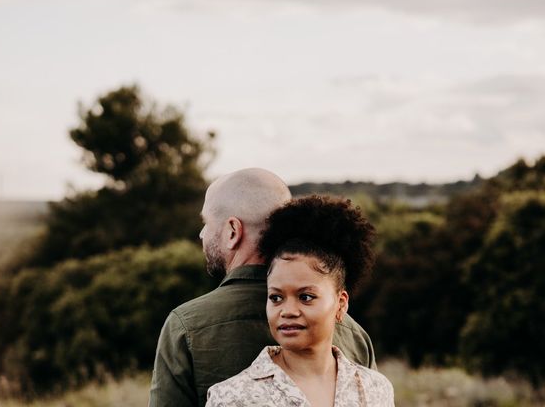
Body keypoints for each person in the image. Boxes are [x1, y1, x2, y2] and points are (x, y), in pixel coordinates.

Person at [149, 169, 377, 407]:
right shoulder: (355, 334)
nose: (202, 233)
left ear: (233, 231)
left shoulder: (185, 326)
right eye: (276, 298)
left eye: (206, 223)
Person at [206, 195, 394, 406]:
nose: (288, 311)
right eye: (276, 298)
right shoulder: (232, 397)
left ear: (341, 303)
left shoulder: (375, 389)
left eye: (305, 297)